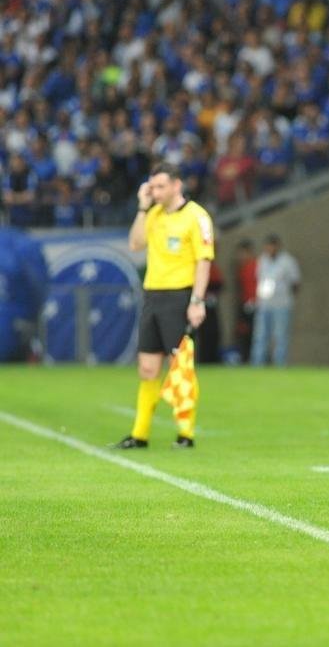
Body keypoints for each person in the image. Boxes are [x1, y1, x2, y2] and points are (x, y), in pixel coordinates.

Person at [111, 164, 213, 450]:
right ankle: (140, 434)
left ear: (176, 185)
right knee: (147, 368)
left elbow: (203, 261)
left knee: (180, 367)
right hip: (153, 297)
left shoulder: (197, 217)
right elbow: (134, 244)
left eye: (159, 187)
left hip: (179, 297)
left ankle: (186, 433)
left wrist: (197, 300)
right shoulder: (153, 214)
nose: (154, 192)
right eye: (151, 187)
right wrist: (142, 208)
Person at [251, 234, 301, 366]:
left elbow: (295, 282)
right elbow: (258, 279)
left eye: (272, 246)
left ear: (277, 246)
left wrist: (287, 296)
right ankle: (258, 364)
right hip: (264, 304)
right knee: (260, 335)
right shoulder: (262, 260)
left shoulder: (288, 261)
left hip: (281, 304)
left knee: (280, 336)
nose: (270, 249)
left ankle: (280, 364)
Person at [233, 238, 257, 363]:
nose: (240, 257)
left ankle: (253, 359)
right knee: (243, 332)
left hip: (254, 304)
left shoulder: (256, 266)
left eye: (242, 253)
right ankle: (244, 358)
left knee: (253, 332)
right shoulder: (241, 269)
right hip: (244, 304)